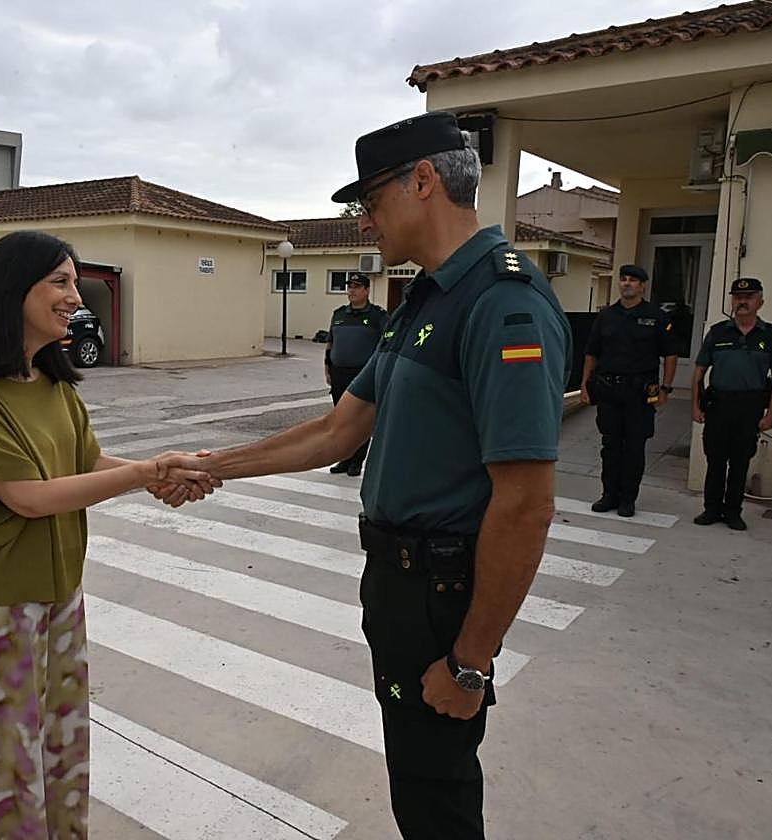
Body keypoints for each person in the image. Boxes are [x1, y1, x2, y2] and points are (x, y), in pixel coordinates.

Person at [156, 112, 571, 840]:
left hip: (444, 597)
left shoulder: (503, 304)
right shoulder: (425, 300)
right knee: (415, 783)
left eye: (371, 201)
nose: (364, 222)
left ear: (424, 181)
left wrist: (470, 664)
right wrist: (211, 466)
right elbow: (338, 430)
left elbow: (526, 505)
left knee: (438, 797)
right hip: (399, 586)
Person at [0, 230, 214, 839]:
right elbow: (27, 496)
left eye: (75, 282)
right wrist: (145, 472)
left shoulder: (53, 381)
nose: (76, 296)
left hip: (61, 593)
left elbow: (86, 463)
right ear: (15, 289)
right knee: (4, 766)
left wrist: (159, 473)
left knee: (63, 751)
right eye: (60, 282)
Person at [579, 264, 678, 517]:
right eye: (623, 279)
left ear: (642, 286)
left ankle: (628, 499)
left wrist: (666, 388)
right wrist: (585, 385)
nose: (627, 283)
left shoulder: (656, 317)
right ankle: (609, 495)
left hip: (640, 393)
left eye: (633, 280)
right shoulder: (606, 316)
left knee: (634, 446)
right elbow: (591, 352)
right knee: (610, 445)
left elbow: (670, 355)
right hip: (609, 390)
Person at [691, 277, 772, 530]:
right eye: (737, 297)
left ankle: (733, 512)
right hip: (719, 404)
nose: (742, 302)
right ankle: (711, 509)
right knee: (715, 460)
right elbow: (699, 371)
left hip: (749, 406)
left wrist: (771, 414)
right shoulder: (717, 332)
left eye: (749, 297)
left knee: (740, 461)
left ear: (760, 302)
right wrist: (695, 406)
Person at [325, 271, 389, 476]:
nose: (351, 291)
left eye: (356, 287)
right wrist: (327, 367)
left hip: (363, 374)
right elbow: (330, 343)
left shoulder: (378, 316)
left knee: (360, 419)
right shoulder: (339, 314)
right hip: (339, 373)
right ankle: (345, 458)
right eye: (349, 287)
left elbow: (386, 345)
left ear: (367, 290)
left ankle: (357, 460)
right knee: (341, 418)